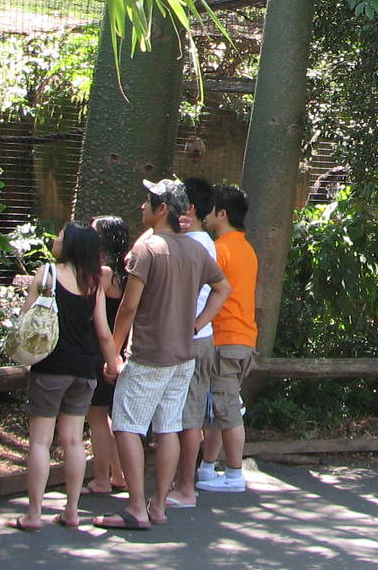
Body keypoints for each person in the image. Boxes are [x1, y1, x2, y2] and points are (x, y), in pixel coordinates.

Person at [92, 179, 231, 530]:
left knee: (126, 426)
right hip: (183, 355)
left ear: (162, 209)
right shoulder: (195, 250)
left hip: (148, 354)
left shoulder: (148, 249)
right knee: (168, 426)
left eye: (147, 202)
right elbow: (222, 288)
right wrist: (197, 324)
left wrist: (114, 353)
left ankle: (136, 507)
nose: (142, 207)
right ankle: (157, 506)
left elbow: (128, 307)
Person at [9, 221, 115, 531]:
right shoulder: (94, 281)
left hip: (51, 366)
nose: (56, 240)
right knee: (73, 440)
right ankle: (71, 510)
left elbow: (27, 316)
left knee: (41, 442)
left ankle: (33, 514)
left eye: (60, 236)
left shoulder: (47, 274)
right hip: (85, 370)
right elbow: (103, 331)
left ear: (68, 245)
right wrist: (111, 364)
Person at [165, 176, 228, 508]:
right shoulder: (194, 239)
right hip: (192, 338)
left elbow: (220, 290)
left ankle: (186, 487)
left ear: (188, 207)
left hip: (193, 340)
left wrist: (196, 325)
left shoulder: (196, 242)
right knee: (181, 415)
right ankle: (178, 483)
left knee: (189, 417)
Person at [197, 182, 258, 494]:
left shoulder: (220, 250)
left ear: (221, 213)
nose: (205, 215)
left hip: (225, 338)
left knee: (226, 408)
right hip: (243, 338)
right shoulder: (246, 249)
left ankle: (234, 474)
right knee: (219, 408)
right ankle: (208, 467)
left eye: (210, 209)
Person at [84, 214, 131, 496]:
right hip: (121, 351)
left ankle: (102, 478)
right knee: (112, 417)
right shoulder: (128, 273)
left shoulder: (102, 274)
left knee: (98, 416)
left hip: (101, 352)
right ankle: (118, 474)